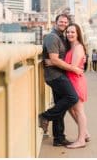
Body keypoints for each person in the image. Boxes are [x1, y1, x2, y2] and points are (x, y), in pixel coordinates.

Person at [39, 14, 83, 147]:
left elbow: (57, 59)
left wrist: (54, 62)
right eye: (61, 21)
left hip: (59, 73)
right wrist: (73, 69)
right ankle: (45, 116)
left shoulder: (62, 37)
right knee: (72, 97)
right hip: (55, 76)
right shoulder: (52, 37)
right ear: (55, 22)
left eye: (65, 22)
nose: (63, 23)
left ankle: (59, 138)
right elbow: (54, 58)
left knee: (61, 106)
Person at [59, 23, 90, 149]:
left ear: (78, 34)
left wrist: (54, 62)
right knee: (70, 109)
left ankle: (81, 140)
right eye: (68, 32)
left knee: (79, 110)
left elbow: (73, 67)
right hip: (71, 81)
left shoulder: (78, 47)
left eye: (73, 32)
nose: (70, 34)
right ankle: (85, 133)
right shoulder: (71, 47)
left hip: (76, 81)